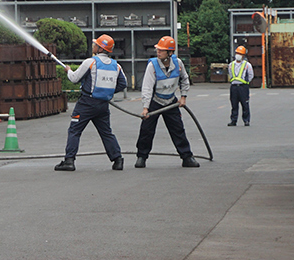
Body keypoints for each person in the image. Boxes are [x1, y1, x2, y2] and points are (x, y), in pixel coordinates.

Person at [55, 34, 127, 172]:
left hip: (87, 103)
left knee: (74, 130)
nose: (93, 46)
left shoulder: (91, 62)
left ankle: (69, 161)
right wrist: (108, 91)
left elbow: (75, 79)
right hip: (103, 104)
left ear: (100, 48)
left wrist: (68, 71)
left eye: (96, 44)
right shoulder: (116, 66)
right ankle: (118, 160)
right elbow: (123, 84)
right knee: (106, 132)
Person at [134, 36, 199, 168]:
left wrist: (183, 97)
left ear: (170, 53)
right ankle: (141, 157)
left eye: (161, 50)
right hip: (155, 101)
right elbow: (146, 87)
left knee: (178, 129)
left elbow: (185, 79)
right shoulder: (152, 65)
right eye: (158, 49)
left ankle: (187, 157)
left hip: (171, 101)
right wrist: (146, 108)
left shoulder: (178, 64)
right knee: (146, 130)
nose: (158, 52)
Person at [228, 45, 254, 126]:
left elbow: (251, 75)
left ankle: (246, 120)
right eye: (237, 53)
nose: (238, 55)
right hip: (234, 87)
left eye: (240, 53)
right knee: (234, 104)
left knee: (245, 104)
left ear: (243, 55)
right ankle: (233, 120)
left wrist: (245, 82)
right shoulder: (231, 65)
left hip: (243, 87)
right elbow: (230, 74)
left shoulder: (247, 65)